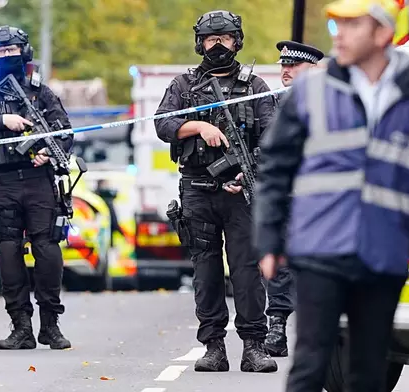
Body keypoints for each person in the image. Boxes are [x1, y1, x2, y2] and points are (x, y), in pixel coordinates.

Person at [252, 0, 409, 391]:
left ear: (382, 33)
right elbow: (275, 169)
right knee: (309, 366)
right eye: (337, 25)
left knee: (369, 372)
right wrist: (269, 239)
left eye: (352, 25)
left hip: (384, 255)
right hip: (320, 251)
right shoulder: (311, 91)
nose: (339, 34)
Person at [154, 10, 278, 373]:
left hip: (241, 195)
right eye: (212, 39)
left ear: (237, 41)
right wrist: (195, 126)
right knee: (205, 272)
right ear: (201, 43)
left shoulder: (255, 87)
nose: (219, 45)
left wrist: (246, 170)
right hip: (197, 191)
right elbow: (163, 123)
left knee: (246, 270)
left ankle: (254, 346)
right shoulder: (183, 86)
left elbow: (273, 137)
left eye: (225, 38)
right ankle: (213, 346)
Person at [0, 25, 74, 351]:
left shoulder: (42, 93)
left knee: (47, 249)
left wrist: (48, 153)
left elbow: (65, 132)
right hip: (0, 181)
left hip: (38, 182)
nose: (9, 56)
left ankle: (50, 325)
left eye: (13, 51)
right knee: (8, 251)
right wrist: (2, 122)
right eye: (2, 52)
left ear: (24, 52)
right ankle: (20, 327)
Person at [264, 39, 324, 358]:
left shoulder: (329, 102)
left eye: (293, 65)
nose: (286, 70)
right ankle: (277, 327)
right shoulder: (273, 102)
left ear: (312, 69)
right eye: (284, 65)